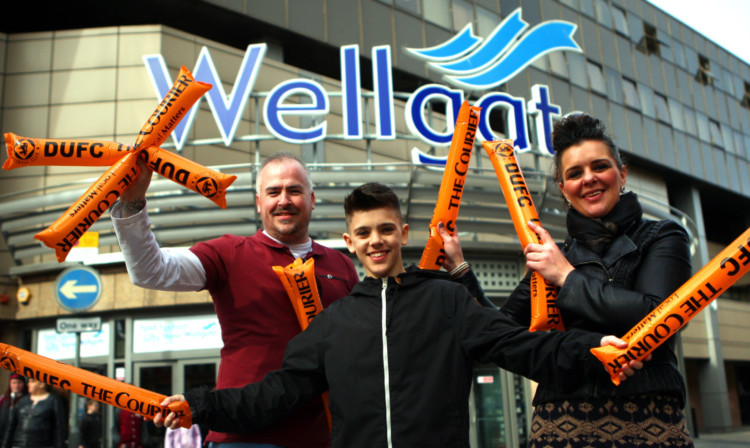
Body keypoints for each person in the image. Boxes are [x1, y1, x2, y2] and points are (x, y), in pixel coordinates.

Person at [153, 182, 638, 447]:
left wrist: (592, 349)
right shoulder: (334, 323)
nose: (376, 241)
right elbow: (275, 393)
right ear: (349, 243)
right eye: (364, 233)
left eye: (386, 229)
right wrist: (201, 406)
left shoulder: (447, 302)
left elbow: (520, 346)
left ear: (404, 233)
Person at [112, 151, 359, 448]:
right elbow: (151, 272)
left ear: (312, 199)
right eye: (273, 192)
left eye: (294, 190)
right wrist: (133, 202)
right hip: (241, 437)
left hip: (322, 438)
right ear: (258, 203)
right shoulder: (229, 253)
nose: (284, 200)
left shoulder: (341, 265)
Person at [497, 114, 694, 447]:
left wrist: (566, 277)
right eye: (575, 173)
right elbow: (498, 333)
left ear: (622, 173)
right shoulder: (553, 256)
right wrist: (460, 270)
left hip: (648, 416)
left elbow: (660, 314)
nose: (588, 179)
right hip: (559, 422)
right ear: (563, 188)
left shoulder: (662, 235)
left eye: (599, 166)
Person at [1, 377, 67, 448]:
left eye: (32, 381)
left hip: (43, 444)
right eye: (28, 381)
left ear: (41, 384)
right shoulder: (23, 401)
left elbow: (60, 428)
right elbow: (11, 426)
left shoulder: (53, 401)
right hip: (19, 444)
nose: (29, 384)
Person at [0, 374, 28, 442]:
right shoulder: (3, 399)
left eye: (19, 383)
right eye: (14, 383)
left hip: (18, 437)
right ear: (10, 384)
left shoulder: (27, 400)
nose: (16, 386)